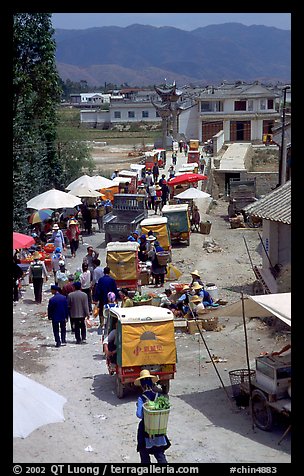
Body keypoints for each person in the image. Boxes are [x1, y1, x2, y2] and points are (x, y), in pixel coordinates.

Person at [134, 370, 171, 463]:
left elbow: (139, 415)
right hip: (158, 428)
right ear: (152, 383)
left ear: (142, 385)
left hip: (145, 431)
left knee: (144, 457)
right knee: (160, 455)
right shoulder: (158, 396)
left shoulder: (141, 398)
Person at [93, 266, 119, 331]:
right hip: (110, 298)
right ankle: (110, 323)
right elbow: (115, 290)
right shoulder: (112, 280)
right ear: (109, 272)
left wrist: (96, 299)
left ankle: (102, 323)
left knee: (101, 310)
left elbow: (98, 290)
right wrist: (116, 298)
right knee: (110, 310)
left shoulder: (101, 280)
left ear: (103, 272)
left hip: (102, 298)